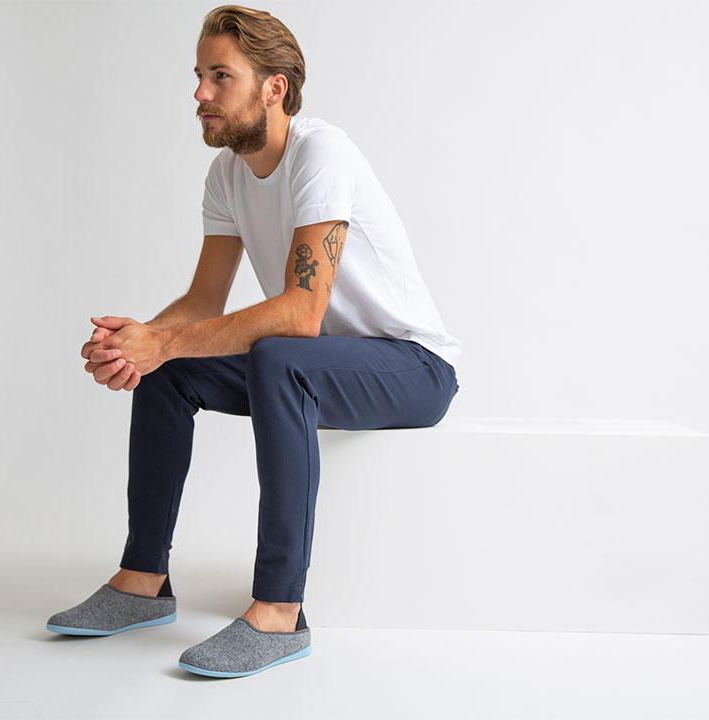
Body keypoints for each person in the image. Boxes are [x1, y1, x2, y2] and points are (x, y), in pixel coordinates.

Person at [46, 4, 461, 678]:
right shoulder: (227, 176)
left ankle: (279, 612)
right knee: (172, 368)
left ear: (275, 87)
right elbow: (202, 303)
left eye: (220, 76)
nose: (200, 93)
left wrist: (165, 341)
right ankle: (142, 581)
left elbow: (301, 312)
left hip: (412, 367)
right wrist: (139, 342)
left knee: (277, 354)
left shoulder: (320, 154)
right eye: (198, 76)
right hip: (312, 365)